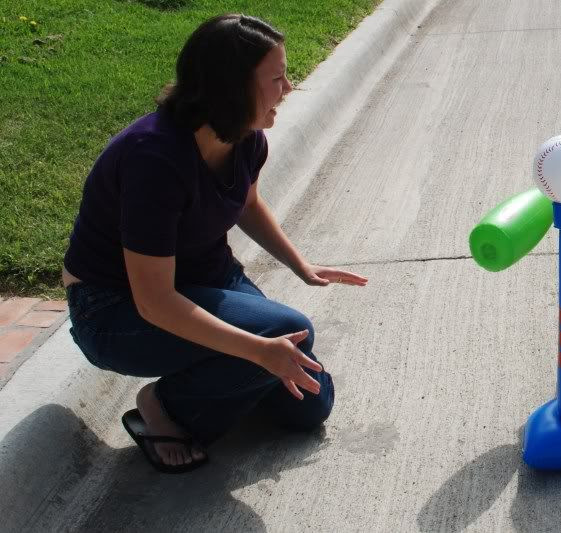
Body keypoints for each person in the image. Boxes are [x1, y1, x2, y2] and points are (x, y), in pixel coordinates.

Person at [62, 13, 368, 473]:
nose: (289, 87)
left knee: (308, 408)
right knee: (280, 332)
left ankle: (220, 377)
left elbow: (247, 204)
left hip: (206, 278)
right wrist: (257, 350)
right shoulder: (154, 159)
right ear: (232, 88)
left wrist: (300, 265)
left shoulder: (246, 139)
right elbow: (154, 302)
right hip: (113, 308)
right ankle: (162, 406)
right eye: (276, 78)